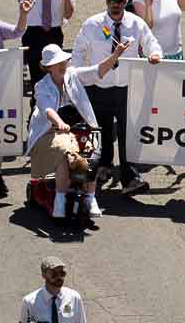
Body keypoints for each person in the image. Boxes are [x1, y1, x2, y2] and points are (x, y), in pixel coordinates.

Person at [71, 0, 161, 191]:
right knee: (101, 129)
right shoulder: (92, 25)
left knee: (126, 132)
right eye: (111, 1)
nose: (115, 5)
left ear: (125, 2)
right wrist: (74, 75)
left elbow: (151, 42)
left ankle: (129, 176)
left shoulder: (136, 24)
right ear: (106, 2)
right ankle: (104, 166)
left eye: (119, 1)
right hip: (99, 87)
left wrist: (154, 54)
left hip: (126, 88)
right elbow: (78, 51)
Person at [28, 42, 124, 223]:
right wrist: (59, 123)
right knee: (64, 151)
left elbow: (97, 71)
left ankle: (89, 197)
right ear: (49, 67)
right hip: (50, 132)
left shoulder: (73, 75)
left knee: (90, 151)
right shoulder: (41, 86)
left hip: (78, 127)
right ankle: (60, 201)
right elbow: (46, 109)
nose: (64, 64)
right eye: (59, 63)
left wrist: (116, 54)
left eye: (64, 61)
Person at [8, 0, 74, 82]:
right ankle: (37, 99)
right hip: (33, 32)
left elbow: (68, 13)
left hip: (54, 32)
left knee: (55, 73)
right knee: (36, 72)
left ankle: (54, 100)